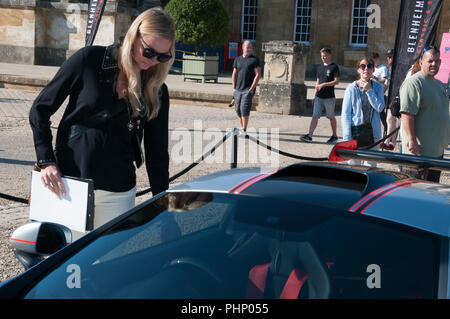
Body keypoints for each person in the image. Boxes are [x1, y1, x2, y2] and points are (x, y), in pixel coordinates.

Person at [29, 7, 175, 230]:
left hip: (119, 193)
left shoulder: (157, 91)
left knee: (106, 263)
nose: (154, 61)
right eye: (149, 52)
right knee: (61, 260)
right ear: (133, 36)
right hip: (68, 185)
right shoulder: (89, 60)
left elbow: (157, 154)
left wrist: (164, 208)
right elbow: (40, 109)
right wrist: (46, 160)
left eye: (162, 56)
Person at [399, 45, 450, 183]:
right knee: (414, 196)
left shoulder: (439, 84)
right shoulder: (414, 83)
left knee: (431, 194)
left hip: (436, 153)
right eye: (430, 61)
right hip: (418, 155)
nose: (434, 64)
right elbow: (407, 114)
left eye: (437, 61)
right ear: (421, 62)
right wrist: (412, 139)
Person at [341, 56, 385, 167]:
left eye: (369, 66)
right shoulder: (351, 88)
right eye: (363, 66)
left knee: (370, 166)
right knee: (353, 166)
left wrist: (370, 91)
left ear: (373, 70)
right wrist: (347, 138)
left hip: (373, 133)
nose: (366, 69)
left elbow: (380, 107)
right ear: (358, 69)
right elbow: (346, 114)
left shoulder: (378, 87)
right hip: (355, 132)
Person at [300, 47, 340, 143]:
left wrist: (324, 84)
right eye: (322, 56)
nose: (323, 57)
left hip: (329, 97)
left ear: (330, 55)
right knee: (315, 116)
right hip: (319, 97)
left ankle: (334, 135)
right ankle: (309, 136)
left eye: (325, 55)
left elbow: (337, 81)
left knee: (331, 117)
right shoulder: (320, 67)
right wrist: (314, 96)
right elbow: (317, 82)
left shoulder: (334, 67)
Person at [231, 40, 261, 136]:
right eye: (247, 47)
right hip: (238, 89)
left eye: (250, 47)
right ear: (243, 48)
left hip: (247, 89)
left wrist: (251, 89)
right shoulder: (237, 59)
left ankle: (244, 129)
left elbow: (258, 74)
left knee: (244, 109)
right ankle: (242, 128)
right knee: (238, 110)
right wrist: (234, 88)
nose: (249, 49)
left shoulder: (254, 60)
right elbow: (234, 74)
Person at [380, 48, 398, 150]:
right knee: (392, 120)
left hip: (396, 97)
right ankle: (393, 142)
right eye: (388, 57)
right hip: (390, 96)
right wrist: (380, 93)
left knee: (390, 119)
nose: (388, 59)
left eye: (390, 57)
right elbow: (387, 83)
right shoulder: (390, 68)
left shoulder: (398, 69)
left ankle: (387, 141)